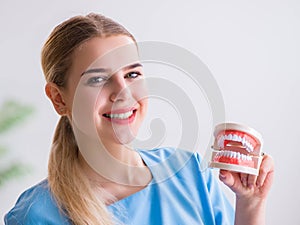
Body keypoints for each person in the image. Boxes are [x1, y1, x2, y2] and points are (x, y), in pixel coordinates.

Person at [4, 13, 274, 225]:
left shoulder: (188, 171)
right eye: (97, 79)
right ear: (58, 99)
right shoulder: (36, 215)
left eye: (132, 74)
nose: (123, 92)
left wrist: (251, 203)